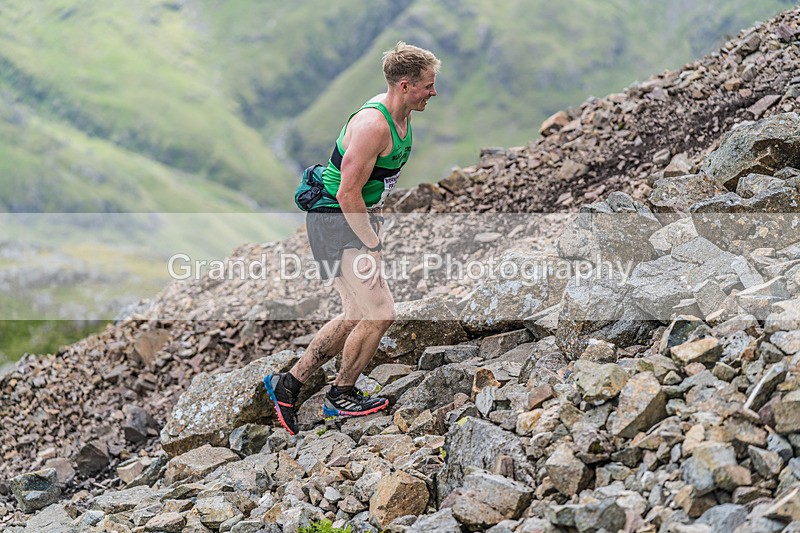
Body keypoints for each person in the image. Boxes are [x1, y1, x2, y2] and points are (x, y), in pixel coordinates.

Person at [264, 42, 440, 435]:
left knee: (356, 314)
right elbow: (346, 193)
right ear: (405, 85)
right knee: (381, 312)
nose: (433, 92)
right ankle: (340, 395)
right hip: (335, 220)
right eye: (428, 85)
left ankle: (288, 385)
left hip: (351, 220)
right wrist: (371, 243)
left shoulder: (400, 115)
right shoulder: (373, 125)